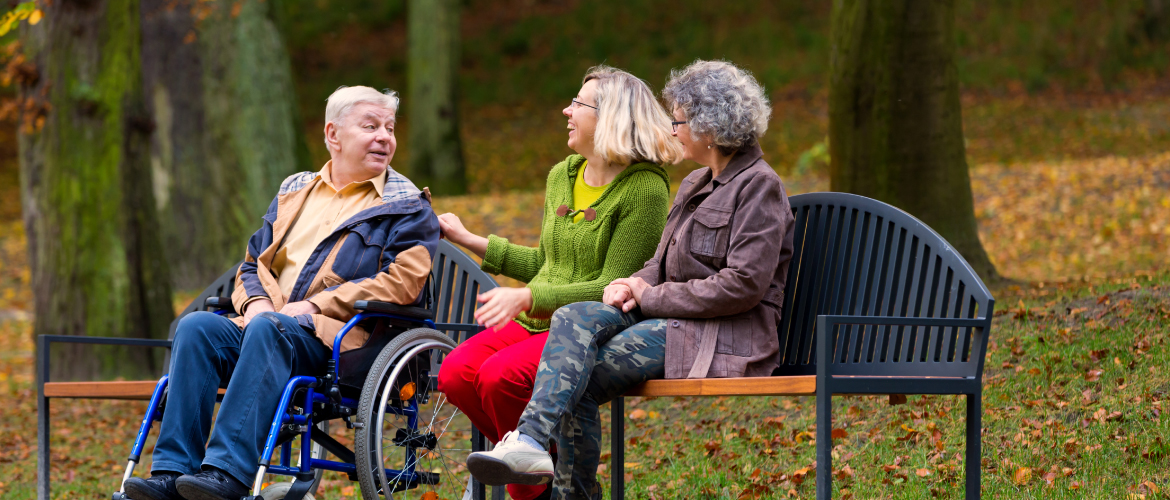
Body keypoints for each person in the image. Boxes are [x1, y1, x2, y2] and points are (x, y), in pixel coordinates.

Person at [465, 60, 797, 499]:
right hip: (669, 322)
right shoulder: (696, 183)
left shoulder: (759, 187)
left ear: (710, 126)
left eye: (679, 120)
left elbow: (742, 286)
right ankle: (529, 443)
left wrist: (651, 295)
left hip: (716, 335)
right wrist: (630, 283)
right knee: (574, 325)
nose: (672, 129)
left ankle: (553, 473)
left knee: (574, 374)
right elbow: (657, 263)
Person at [122, 86, 440, 500]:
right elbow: (254, 262)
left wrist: (312, 306)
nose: (384, 137)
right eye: (371, 126)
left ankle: (226, 475)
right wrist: (254, 303)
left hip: (341, 341)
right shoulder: (296, 191)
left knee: (270, 330)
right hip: (269, 326)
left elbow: (402, 282)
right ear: (333, 134)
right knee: (198, 328)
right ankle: (170, 473)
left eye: (390, 128)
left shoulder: (408, 207)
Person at [436, 65, 682, 500]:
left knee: (498, 378)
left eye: (578, 103)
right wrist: (468, 238)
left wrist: (530, 296)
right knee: (456, 373)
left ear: (610, 118)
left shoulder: (644, 190)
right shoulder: (562, 175)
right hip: (536, 320)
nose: (566, 110)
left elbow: (611, 284)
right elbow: (546, 262)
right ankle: (542, 470)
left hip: (586, 327)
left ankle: (528, 486)